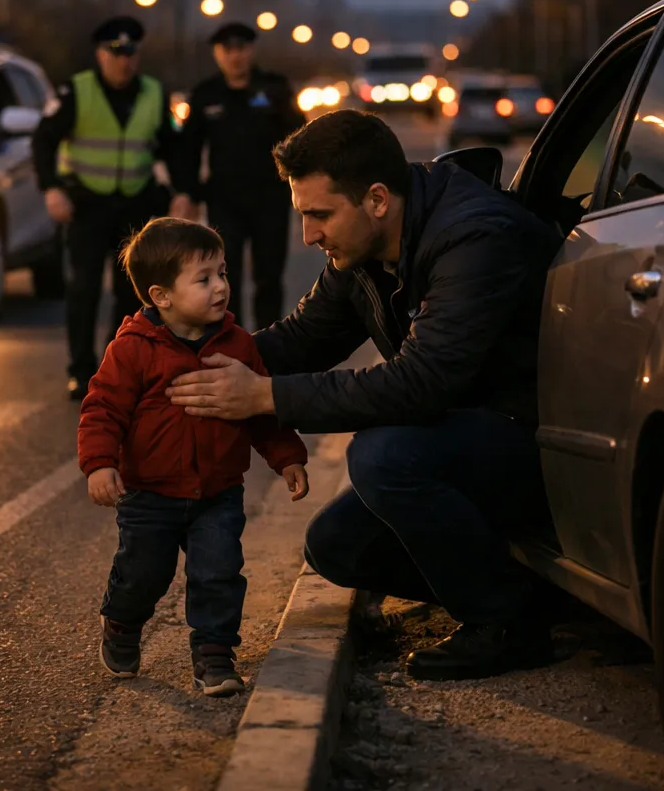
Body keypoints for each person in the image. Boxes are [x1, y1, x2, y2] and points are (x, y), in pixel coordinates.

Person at [167, 110, 563, 681]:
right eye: (304, 216)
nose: (309, 235)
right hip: (468, 437)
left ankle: (507, 622)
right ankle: (536, 590)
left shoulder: (474, 236)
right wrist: (182, 360)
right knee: (335, 547)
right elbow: (302, 338)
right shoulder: (364, 252)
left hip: (537, 441)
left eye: (320, 215)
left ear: (377, 199)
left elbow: (421, 384)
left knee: (383, 456)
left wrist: (264, 398)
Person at [78, 217, 309, 695]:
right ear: (161, 296)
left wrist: (287, 456)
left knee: (218, 572)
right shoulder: (134, 349)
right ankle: (121, 622)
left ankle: (214, 656)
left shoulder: (238, 344)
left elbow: (261, 411)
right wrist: (100, 463)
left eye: (222, 273)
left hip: (218, 491)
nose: (221, 287)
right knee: (144, 573)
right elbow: (103, 407)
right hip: (150, 494)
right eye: (204, 279)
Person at [32, 17, 195, 401]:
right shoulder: (76, 91)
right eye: (115, 53)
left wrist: (183, 191)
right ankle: (80, 371)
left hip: (135, 206)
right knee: (83, 289)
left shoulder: (154, 93)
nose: (124, 62)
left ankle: (114, 368)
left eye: (130, 53)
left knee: (131, 295)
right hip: (87, 206)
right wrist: (52, 189)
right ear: (99, 54)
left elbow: (174, 147)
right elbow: (43, 140)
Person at [170, 22, 303, 329]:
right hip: (224, 201)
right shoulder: (206, 95)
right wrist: (187, 191)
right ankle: (232, 344)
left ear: (251, 50)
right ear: (217, 54)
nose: (235, 56)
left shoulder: (274, 89)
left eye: (240, 48)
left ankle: (268, 346)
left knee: (269, 276)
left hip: (270, 198)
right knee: (224, 279)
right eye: (227, 50)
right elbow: (188, 148)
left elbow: (299, 140)